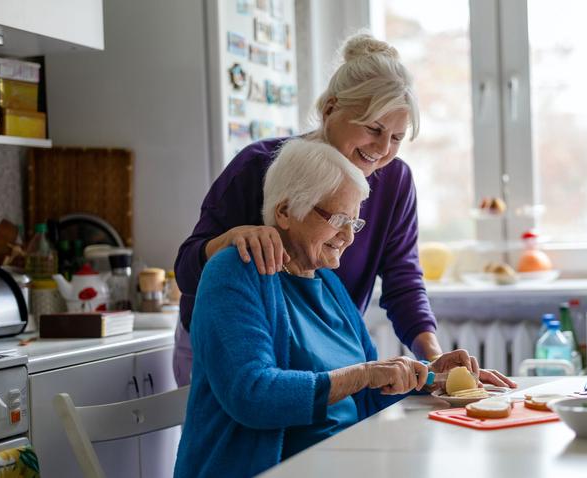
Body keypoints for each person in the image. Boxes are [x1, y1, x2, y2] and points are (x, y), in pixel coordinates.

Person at [173, 31, 515, 389]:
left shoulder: (394, 181)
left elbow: (403, 280)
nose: (383, 149)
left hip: (316, 355)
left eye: (397, 137)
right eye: (373, 128)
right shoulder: (258, 166)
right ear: (329, 108)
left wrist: (432, 358)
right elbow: (186, 270)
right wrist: (230, 239)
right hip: (231, 351)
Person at [174, 139, 484, 477]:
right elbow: (252, 395)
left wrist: (432, 375)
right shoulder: (235, 271)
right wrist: (362, 374)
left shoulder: (328, 283)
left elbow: (368, 393)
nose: (348, 237)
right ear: (285, 211)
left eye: (355, 222)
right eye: (337, 219)